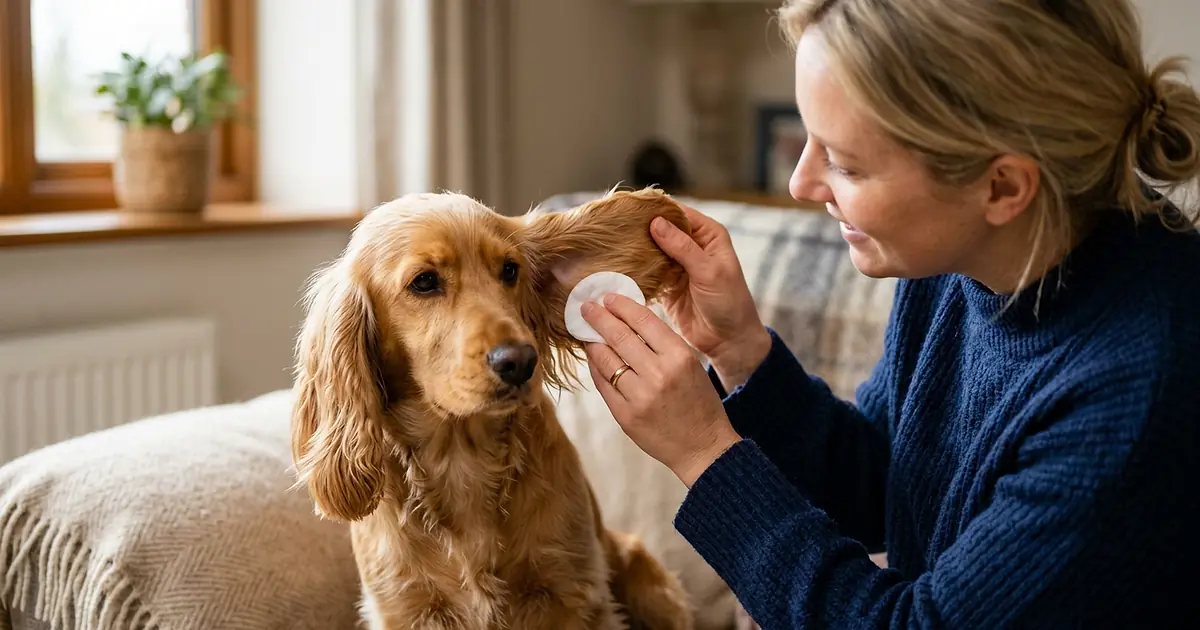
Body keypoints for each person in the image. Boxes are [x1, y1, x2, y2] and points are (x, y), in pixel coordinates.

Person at [578, 0, 1200, 627]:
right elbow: (885, 483)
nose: (802, 184)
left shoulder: (1137, 394)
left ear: (1003, 188)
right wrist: (740, 352)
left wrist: (705, 454)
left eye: (844, 162)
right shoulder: (968, 255)